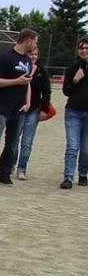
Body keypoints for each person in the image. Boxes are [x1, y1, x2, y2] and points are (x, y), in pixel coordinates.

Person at [0, 28, 38, 188]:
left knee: (12, 143)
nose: (36, 45)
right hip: (1, 107)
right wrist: (15, 82)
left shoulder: (28, 61)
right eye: (35, 42)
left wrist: (27, 102)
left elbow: (27, 83)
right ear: (28, 41)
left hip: (18, 109)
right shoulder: (4, 57)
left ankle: (4, 173)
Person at [16, 47, 51, 180]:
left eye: (36, 54)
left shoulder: (42, 71)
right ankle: (10, 164)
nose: (33, 56)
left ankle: (22, 168)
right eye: (31, 54)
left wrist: (44, 109)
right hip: (19, 108)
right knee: (14, 139)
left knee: (27, 141)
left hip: (34, 109)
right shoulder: (19, 68)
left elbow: (46, 91)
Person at [60, 37, 88, 189]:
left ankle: (83, 174)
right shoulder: (73, 68)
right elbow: (66, 91)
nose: (84, 50)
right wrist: (75, 81)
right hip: (73, 112)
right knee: (72, 146)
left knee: (85, 148)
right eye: (81, 48)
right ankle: (68, 177)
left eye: (86, 48)